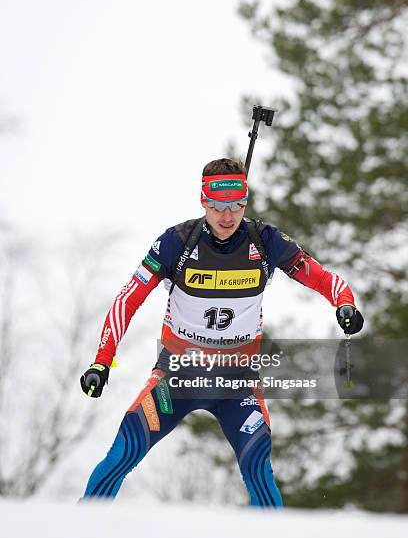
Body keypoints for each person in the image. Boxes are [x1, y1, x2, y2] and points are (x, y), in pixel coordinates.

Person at [79, 158, 363, 506]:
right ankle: (81, 536)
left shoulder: (266, 240)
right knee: (122, 455)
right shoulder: (176, 243)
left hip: (237, 384)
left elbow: (322, 278)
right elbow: (128, 299)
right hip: (178, 379)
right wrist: (101, 362)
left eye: (236, 206)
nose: (227, 217)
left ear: (246, 202)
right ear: (203, 202)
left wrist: (344, 304)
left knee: (258, 470)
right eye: (217, 208)